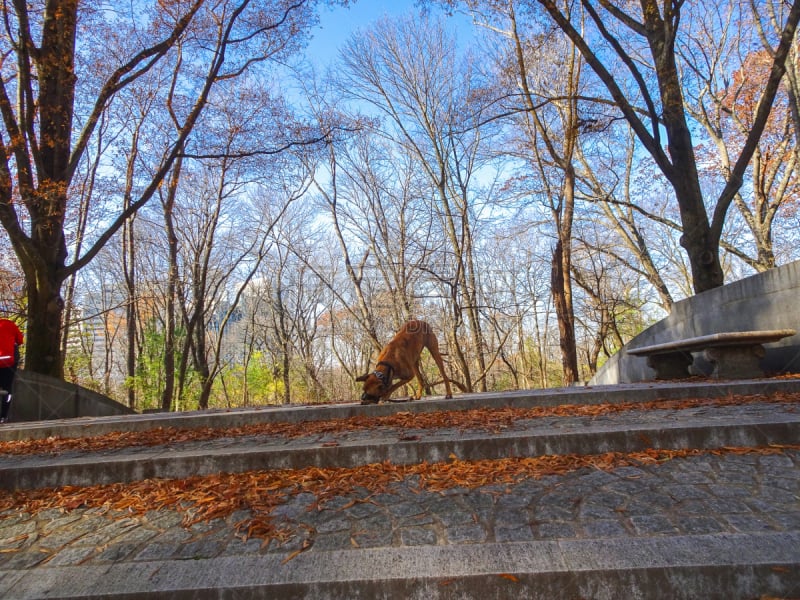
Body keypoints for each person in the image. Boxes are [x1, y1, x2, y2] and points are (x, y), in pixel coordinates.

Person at [0, 317, 23, 423]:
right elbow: (20, 340)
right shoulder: (9, 324)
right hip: (9, 362)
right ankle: (3, 416)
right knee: (7, 388)